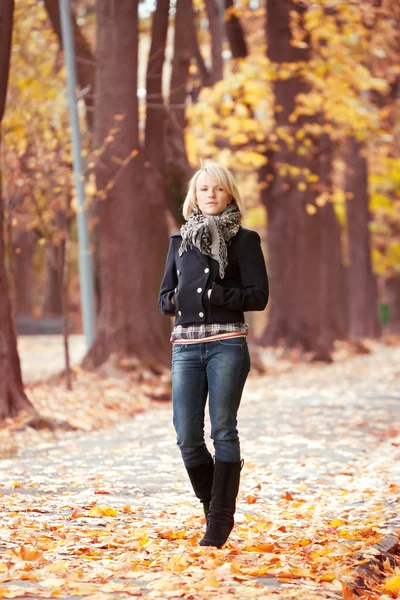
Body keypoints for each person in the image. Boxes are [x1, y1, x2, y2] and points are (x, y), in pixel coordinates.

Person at [158, 162, 269, 548]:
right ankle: (214, 506)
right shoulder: (179, 242)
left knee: (223, 428)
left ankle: (219, 520)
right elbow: (164, 299)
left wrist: (214, 296)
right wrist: (182, 298)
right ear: (194, 196)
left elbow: (258, 296)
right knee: (187, 436)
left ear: (229, 195)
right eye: (203, 189)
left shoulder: (245, 240)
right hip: (185, 348)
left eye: (218, 189)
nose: (210, 195)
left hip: (227, 344)